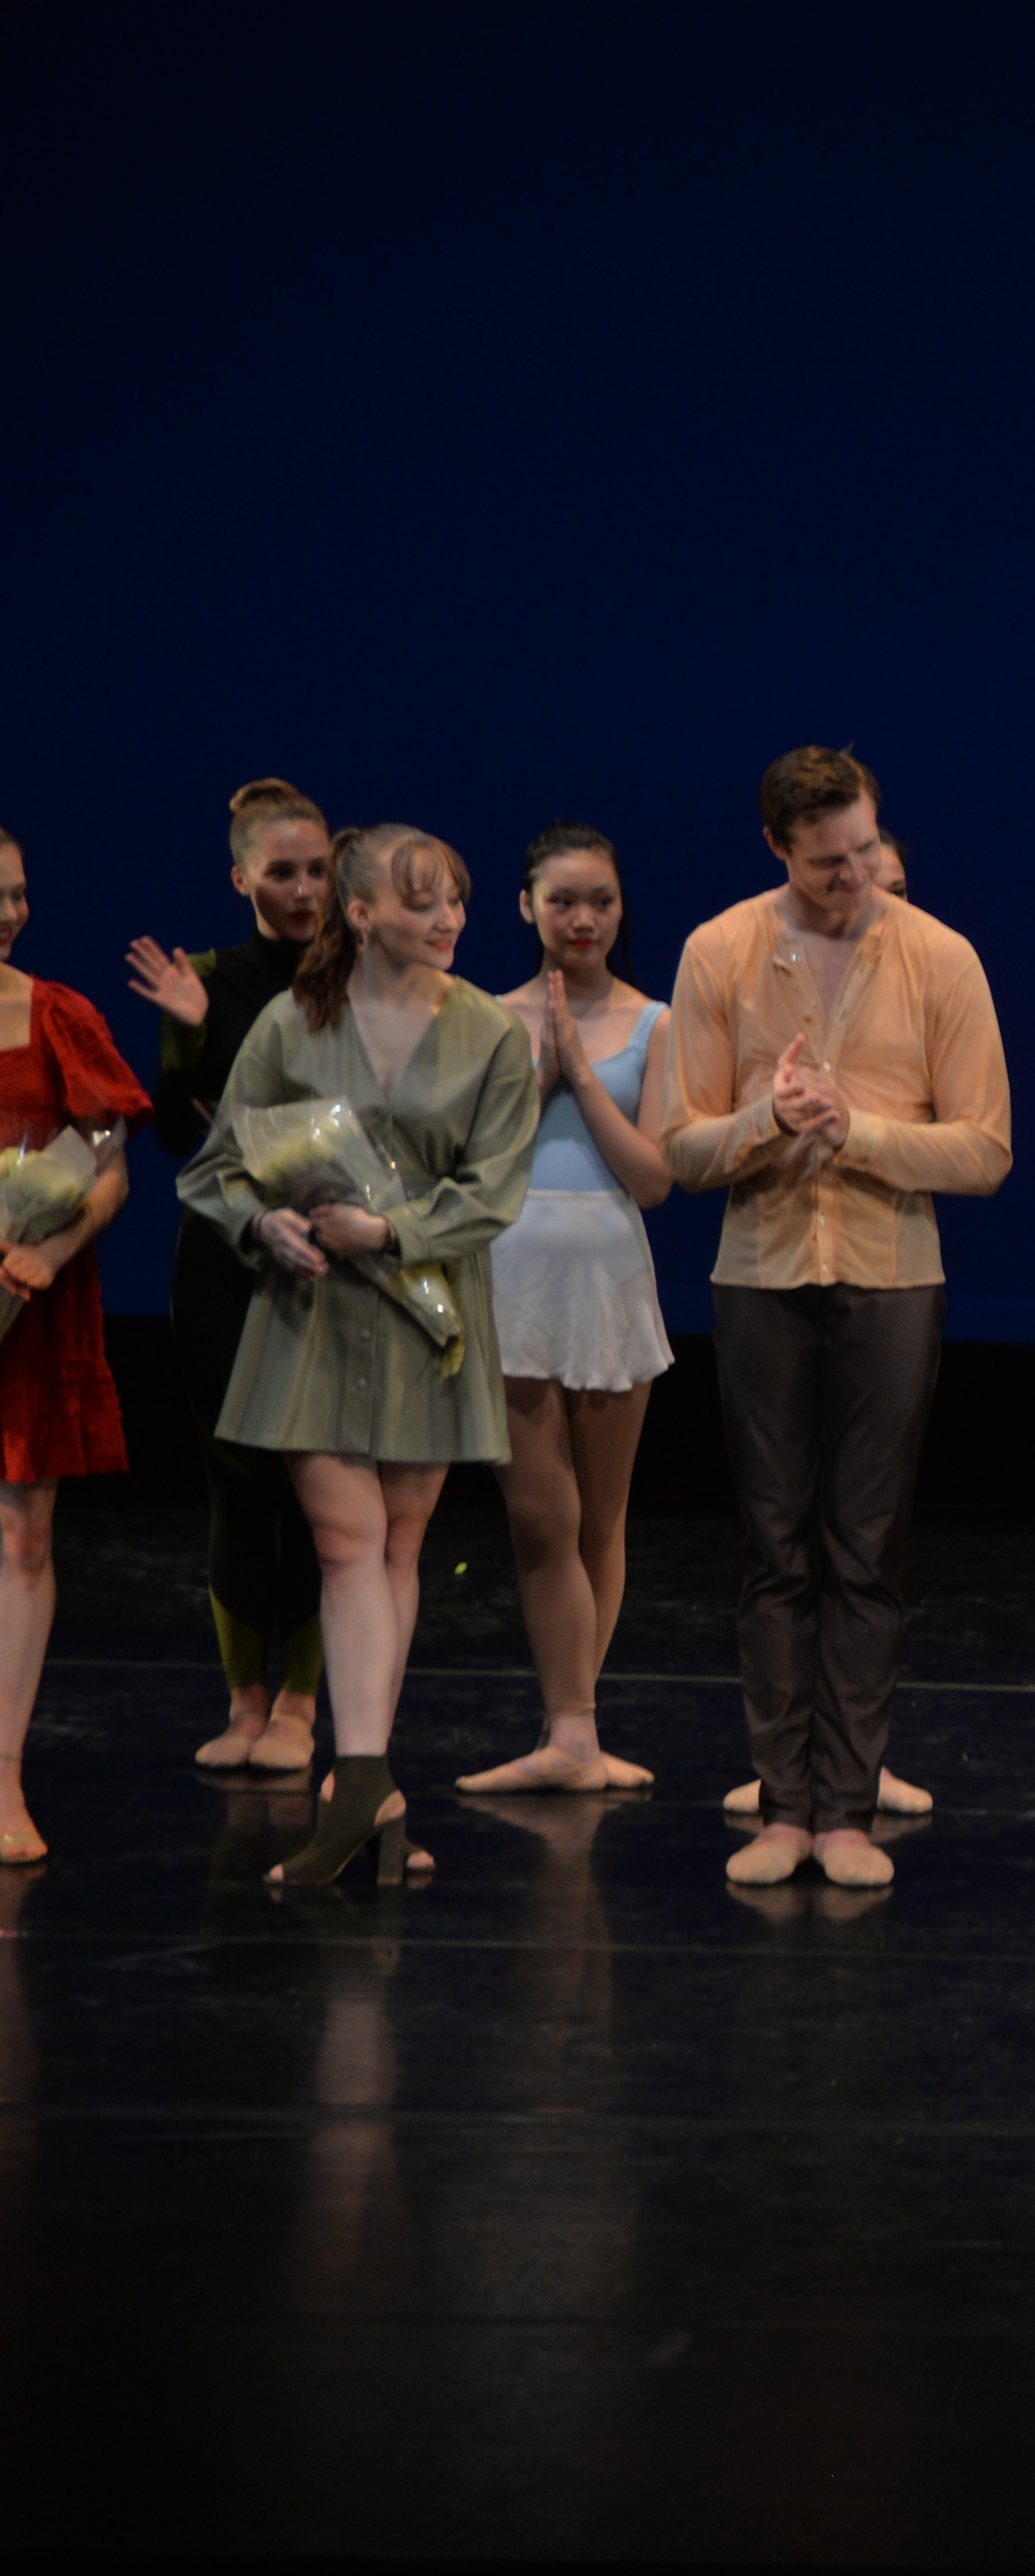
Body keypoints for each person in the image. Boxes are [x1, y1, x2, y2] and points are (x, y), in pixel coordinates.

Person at [647, 746, 1012, 1892]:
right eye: (826, 863)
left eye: (863, 852)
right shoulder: (720, 950)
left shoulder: (941, 955)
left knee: (865, 1549)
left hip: (890, 1277)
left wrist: (859, 1129)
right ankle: (783, 1806)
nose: (853, 877)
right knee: (774, 1551)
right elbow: (679, 1149)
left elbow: (986, 1150)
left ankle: (846, 1809)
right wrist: (770, 1116)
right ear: (777, 849)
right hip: (762, 1276)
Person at [177, 825, 540, 1887]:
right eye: (424, 902)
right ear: (363, 913)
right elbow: (218, 1166)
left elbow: (493, 1190)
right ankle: (364, 1791)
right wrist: (264, 1225)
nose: (450, 919)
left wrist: (390, 1230)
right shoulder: (293, 1021)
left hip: (427, 1315)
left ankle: (363, 1787)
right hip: (317, 1317)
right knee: (347, 1544)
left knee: (395, 1551)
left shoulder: (489, 1032)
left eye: (457, 899)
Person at [458, 825, 674, 1796]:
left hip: (608, 1278)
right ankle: (569, 1729)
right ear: (526, 907)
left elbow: (653, 1178)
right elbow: (473, 1168)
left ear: (621, 909)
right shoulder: (480, 1016)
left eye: (601, 901)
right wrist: (539, 1072)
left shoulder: (655, 1022)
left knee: (601, 1518)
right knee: (541, 1517)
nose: (583, 919)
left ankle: (573, 1727)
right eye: (562, 901)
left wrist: (581, 1075)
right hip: (512, 1273)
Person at [124, 779, 334, 1771]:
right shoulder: (204, 976)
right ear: (242, 878)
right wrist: (193, 1034)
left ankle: (301, 1703)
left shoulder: (357, 975)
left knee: (321, 1484)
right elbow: (179, 1134)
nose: (305, 890)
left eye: (318, 870)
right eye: (282, 872)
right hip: (226, 1258)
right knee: (237, 1483)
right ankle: (245, 1701)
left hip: (329, 1254)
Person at [0, 828, 154, 1865]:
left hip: (28, 1302)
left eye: (15, 894)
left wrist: (49, 1250)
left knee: (23, 1538)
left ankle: (4, 1775)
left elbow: (109, 1169)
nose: (7, 914)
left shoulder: (59, 1015)